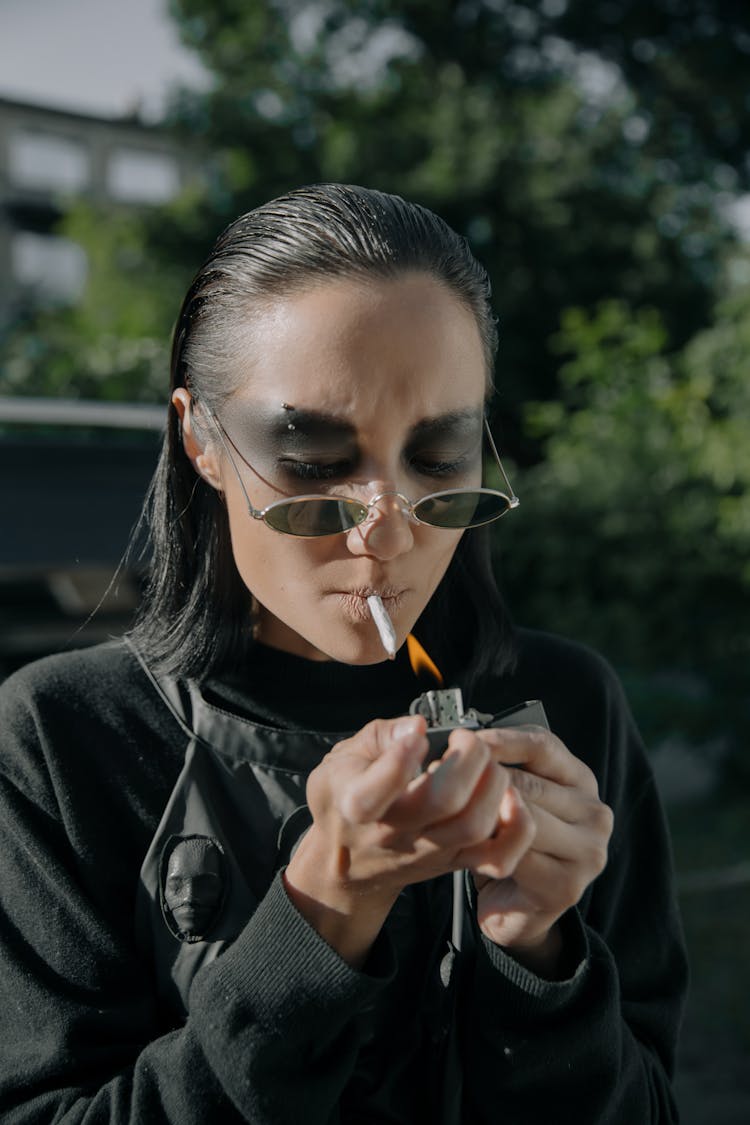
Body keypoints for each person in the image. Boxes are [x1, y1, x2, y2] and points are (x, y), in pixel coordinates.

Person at [0, 184, 687, 1124]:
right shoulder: (62, 739)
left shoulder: (566, 704)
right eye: (316, 465)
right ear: (202, 438)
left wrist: (540, 958)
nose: (387, 536)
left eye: (439, 460)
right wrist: (326, 906)